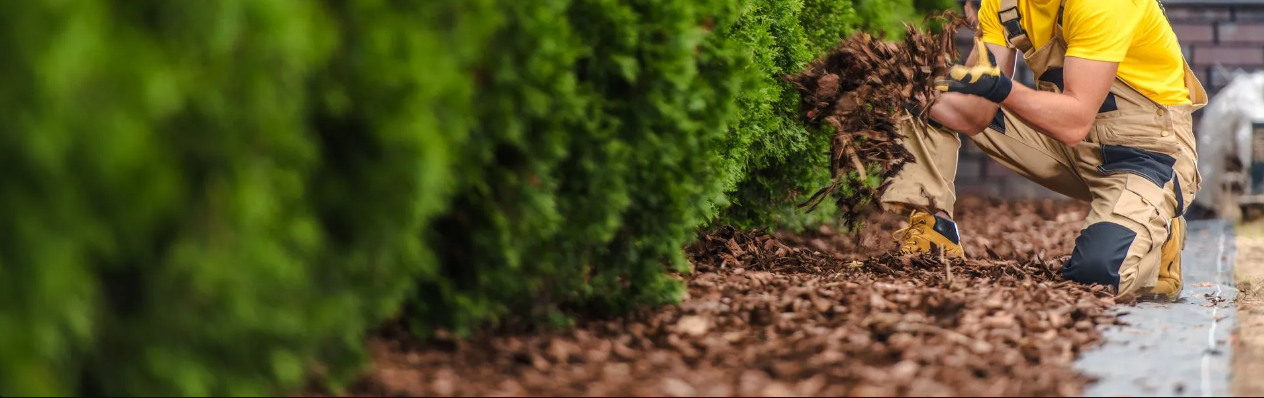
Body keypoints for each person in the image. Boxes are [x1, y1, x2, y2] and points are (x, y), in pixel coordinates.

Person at [889, 0, 1207, 302]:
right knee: (926, 98)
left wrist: (1002, 88)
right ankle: (935, 232)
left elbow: (1074, 121)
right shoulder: (1003, 3)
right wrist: (900, 86)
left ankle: (1160, 236)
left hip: (1146, 155)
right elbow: (974, 113)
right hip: (1067, 143)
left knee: (1096, 277)